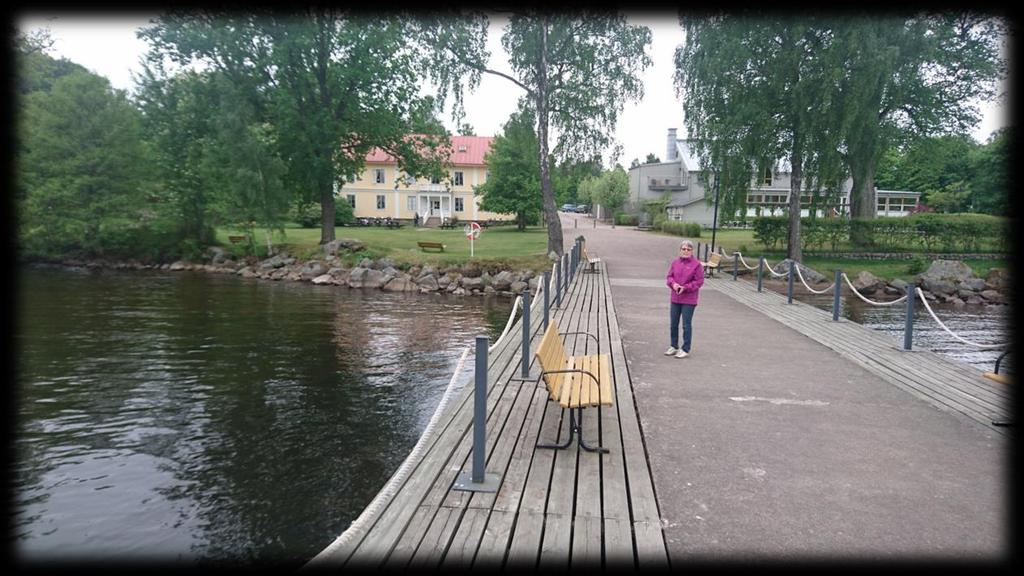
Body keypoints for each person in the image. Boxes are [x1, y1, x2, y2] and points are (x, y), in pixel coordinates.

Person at [665, 239, 705, 358]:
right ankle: (674, 345)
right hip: (675, 297)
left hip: (689, 299)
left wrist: (686, 287)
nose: (686, 251)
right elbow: (669, 277)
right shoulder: (675, 263)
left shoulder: (696, 265)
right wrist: (674, 284)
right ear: (680, 250)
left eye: (688, 249)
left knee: (686, 324)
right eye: (684, 249)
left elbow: (699, 281)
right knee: (673, 323)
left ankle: (685, 348)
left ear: (692, 251)